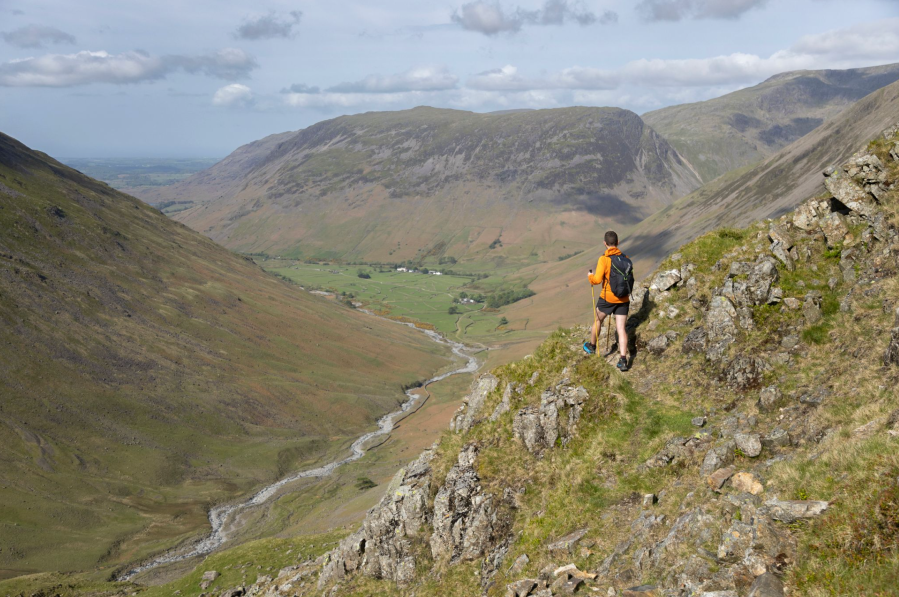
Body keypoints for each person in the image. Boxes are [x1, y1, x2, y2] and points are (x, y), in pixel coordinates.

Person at [583, 230, 630, 372]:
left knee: (598, 320)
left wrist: (590, 276)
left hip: (607, 298)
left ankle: (591, 346)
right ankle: (623, 360)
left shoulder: (604, 259)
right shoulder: (625, 258)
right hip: (623, 298)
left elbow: (597, 280)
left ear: (605, 243)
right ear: (618, 242)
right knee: (621, 329)